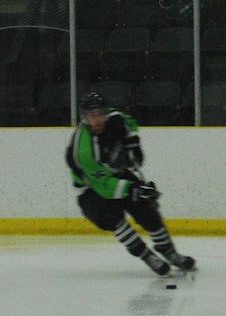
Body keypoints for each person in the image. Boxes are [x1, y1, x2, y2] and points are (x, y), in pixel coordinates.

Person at [65, 91, 195, 275]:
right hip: (91, 190)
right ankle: (146, 255)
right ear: (84, 117)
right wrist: (132, 188)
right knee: (112, 218)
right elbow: (104, 187)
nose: (98, 120)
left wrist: (133, 142)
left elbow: (129, 123)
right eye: (92, 116)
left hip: (117, 174)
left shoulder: (115, 118)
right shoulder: (83, 150)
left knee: (146, 208)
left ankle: (169, 251)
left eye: (101, 113)